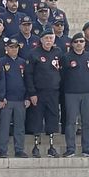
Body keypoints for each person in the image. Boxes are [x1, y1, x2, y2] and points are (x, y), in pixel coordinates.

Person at [25, 29, 64, 157]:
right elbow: (28, 75)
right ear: (41, 40)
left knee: (52, 118)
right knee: (37, 118)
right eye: (46, 38)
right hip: (38, 92)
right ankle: (35, 146)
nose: (49, 41)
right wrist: (32, 93)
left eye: (51, 38)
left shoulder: (58, 52)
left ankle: (51, 147)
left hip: (53, 92)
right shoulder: (34, 54)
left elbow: (61, 71)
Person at [61, 33, 89, 157]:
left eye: (81, 41)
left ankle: (87, 148)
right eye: (76, 41)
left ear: (84, 43)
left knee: (87, 122)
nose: (79, 43)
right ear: (72, 44)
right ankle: (70, 148)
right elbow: (62, 76)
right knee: (71, 122)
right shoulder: (66, 57)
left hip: (87, 93)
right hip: (71, 93)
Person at [0, 37, 30, 158]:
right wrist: (2, 97)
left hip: (20, 99)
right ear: (6, 48)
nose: (14, 49)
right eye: (11, 47)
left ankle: (19, 149)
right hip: (7, 99)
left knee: (20, 126)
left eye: (16, 47)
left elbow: (27, 81)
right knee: (4, 126)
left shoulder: (23, 62)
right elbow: (0, 81)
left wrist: (27, 97)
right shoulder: (1, 62)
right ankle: (2, 149)